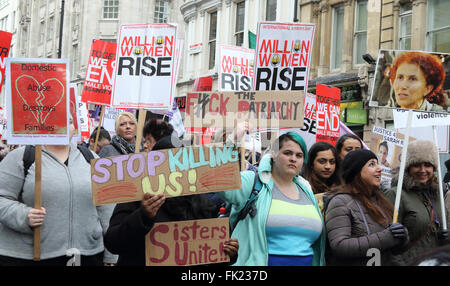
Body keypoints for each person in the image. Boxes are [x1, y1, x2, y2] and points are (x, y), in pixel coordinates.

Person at [104, 126, 239, 266]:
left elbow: (207, 255)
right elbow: (112, 243)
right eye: (169, 164)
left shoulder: (202, 202)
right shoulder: (138, 197)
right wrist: (142, 217)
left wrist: (229, 253)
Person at [0, 115, 116, 266]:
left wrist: (111, 255)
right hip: (26, 256)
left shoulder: (91, 159)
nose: (63, 125)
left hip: (82, 255)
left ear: (74, 127)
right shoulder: (22, 157)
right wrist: (23, 215)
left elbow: (107, 209)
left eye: (68, 121)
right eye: (57, 118)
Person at [217, 132, 326, 266]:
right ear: (274, 154)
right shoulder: (253, 181)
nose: (293, 159)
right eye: (287, 153)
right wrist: (232, 140)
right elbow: (220, 181)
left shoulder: (306, 188)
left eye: (299, 155)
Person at [323, 149, 409, 266]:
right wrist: (387, 237)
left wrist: (402, 237)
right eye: (372, 164)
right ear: (356, 171)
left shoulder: (380, 200)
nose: (380, 168)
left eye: (377, 163)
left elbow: (394, 250)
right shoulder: (340, 202)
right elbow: (339, 246)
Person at [384, 140, 450, 266]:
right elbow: (387, 241)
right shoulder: (396, 195)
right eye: (417, 165)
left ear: (434, 168)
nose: (422, 170)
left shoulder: (438, 196)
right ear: (408, 167)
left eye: (427, 165)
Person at [304, 142, 341, 213]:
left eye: (332, 162)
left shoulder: (342, 187)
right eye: (322, 161)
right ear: (311, 163)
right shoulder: (303, 188)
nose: (328, 166)